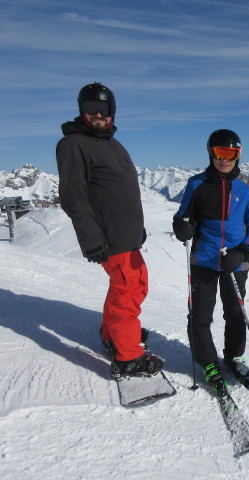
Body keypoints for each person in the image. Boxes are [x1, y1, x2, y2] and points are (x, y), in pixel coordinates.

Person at [56, 82, 163, 376]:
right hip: (108, 237)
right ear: (82, 110)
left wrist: (136, 229)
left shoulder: (110, 143)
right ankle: (127, 356)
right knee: (128, 289)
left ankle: (113, 333)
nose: (98, 115)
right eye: (91, 109)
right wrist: (91, 239)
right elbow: (73, 196)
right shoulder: (74, 144)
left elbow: (120, 192)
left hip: (125, 234)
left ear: (112, 112)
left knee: (131, 284)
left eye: (104, 109)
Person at [172, 129, 249, 395]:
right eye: (220, 153)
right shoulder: (196, 183)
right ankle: (209, 363)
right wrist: (181, 227)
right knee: (200, 315)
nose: (225, 159)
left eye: (231, 153)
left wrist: (244, 250)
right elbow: (183, 216)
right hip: (204, 259)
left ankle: (234, 358)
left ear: (238, 155)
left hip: (235, 260)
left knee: (236, 314)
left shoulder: (247, 186)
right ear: (211, 152)